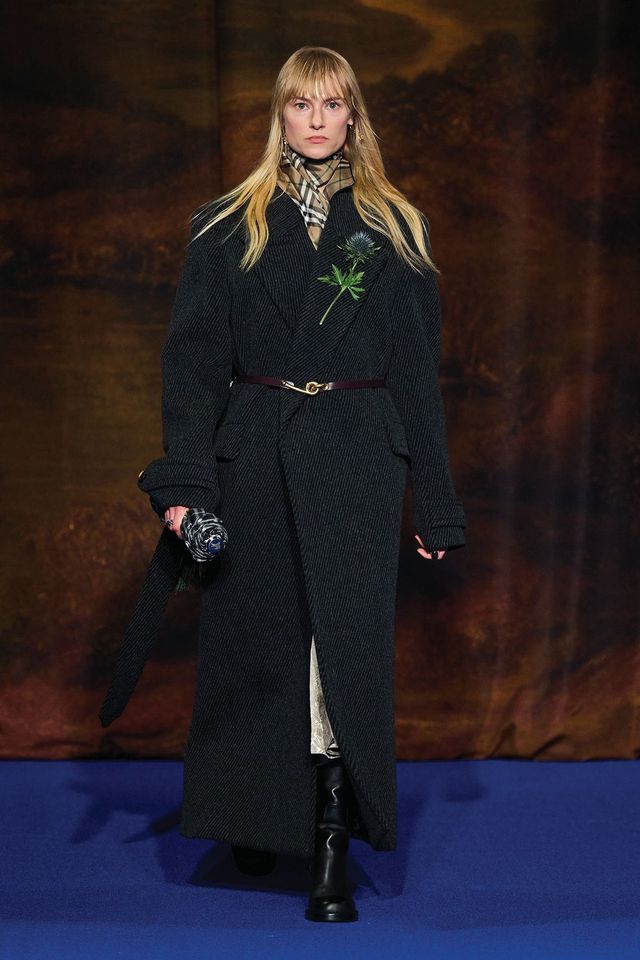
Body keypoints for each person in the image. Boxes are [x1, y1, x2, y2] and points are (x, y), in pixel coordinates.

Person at [99, 46, 466, 923]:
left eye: (332, 104)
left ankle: (333, 834)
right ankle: (255, 810)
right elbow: (193, 365)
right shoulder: (227, 224)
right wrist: (187, 483)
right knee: (257, 645)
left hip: (356, 462)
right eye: (301, 103)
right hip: (254, 457)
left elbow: (418, 376)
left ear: (353, 116)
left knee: (339, 651)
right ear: (280, 115)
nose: (316, 119)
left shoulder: (393, 229)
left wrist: (437, 499)